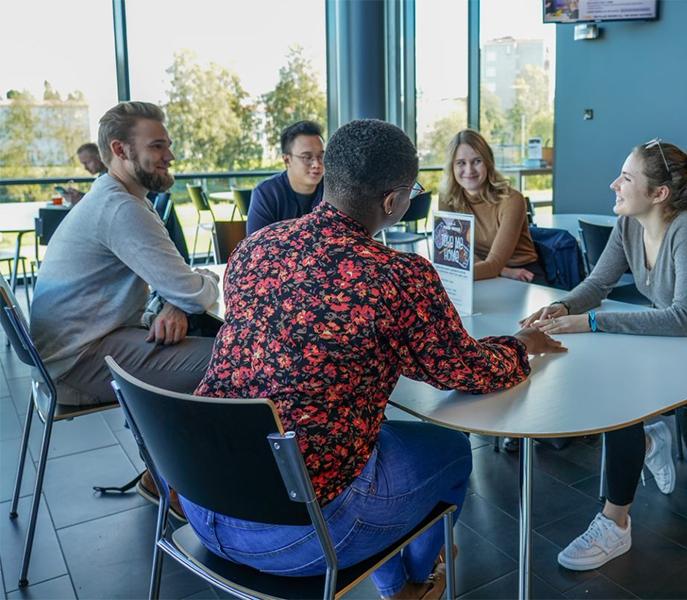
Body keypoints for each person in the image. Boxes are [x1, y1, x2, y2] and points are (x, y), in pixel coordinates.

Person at [184, 119, 565, 600]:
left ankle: (397, 580)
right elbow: (467, 371)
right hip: (297, 538)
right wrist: (520, 344)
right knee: (449, 452)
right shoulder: (397, 275)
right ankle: (414, 583)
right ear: (393, 202)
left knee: (362, 434)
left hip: (201, 497)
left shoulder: (257, 248)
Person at [521, 139, 687, 572]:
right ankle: (649, 438)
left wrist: (591, 322)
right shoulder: (629, 225)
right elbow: (597, 285)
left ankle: (615, 523)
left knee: (619, 394)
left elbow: (684, 318)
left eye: (626, 178)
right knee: (604, 374)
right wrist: (565, 307)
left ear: (659, 194)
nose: (614, 184)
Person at [30, 101, 220, 409]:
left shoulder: (116, 197)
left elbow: (180, 286)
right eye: (157, 147)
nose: (169, 157)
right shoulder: (122, 209)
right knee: (244, 358)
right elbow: (195, 294)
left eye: (168, 146)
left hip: (74, 351)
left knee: (217, 344)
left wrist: (176, 301)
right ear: (120, 150)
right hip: (75, 365)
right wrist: (186, 294)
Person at [438, 129, 545, 284]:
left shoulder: (511, 200)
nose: (469, 170)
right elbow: (455, 252)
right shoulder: (447, 198)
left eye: (477, 161)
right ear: (452, 167)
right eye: (461, 163)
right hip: (485, 272)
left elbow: (493, 264)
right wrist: (504, 271)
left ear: (488, 162)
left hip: (524, 275)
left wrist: (439, 276)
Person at [246, 120, 325, 235]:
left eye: (321, 156)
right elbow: (255, 244)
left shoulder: (333, 190)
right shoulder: (266, 193)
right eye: (307, 157)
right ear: (287, 160)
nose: (317, 164)